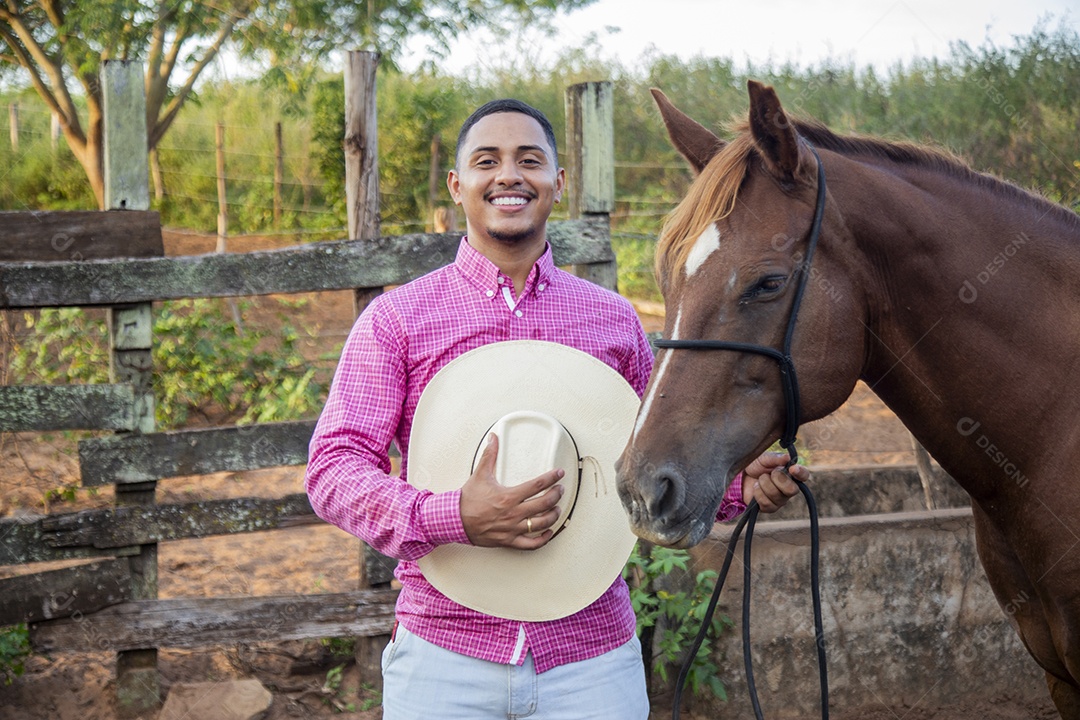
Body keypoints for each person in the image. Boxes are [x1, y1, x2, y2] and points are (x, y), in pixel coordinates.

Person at [305, 98, 807, 720]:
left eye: (530, 160)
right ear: (458, 186)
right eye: (487, 161)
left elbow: (651, 459)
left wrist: (738, 488)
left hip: (591, 661)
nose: (509, 175)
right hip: (444, 657)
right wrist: (453, 515)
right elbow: (333, 470)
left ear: (558, 184)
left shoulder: (614, 321)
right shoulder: (397, 320)